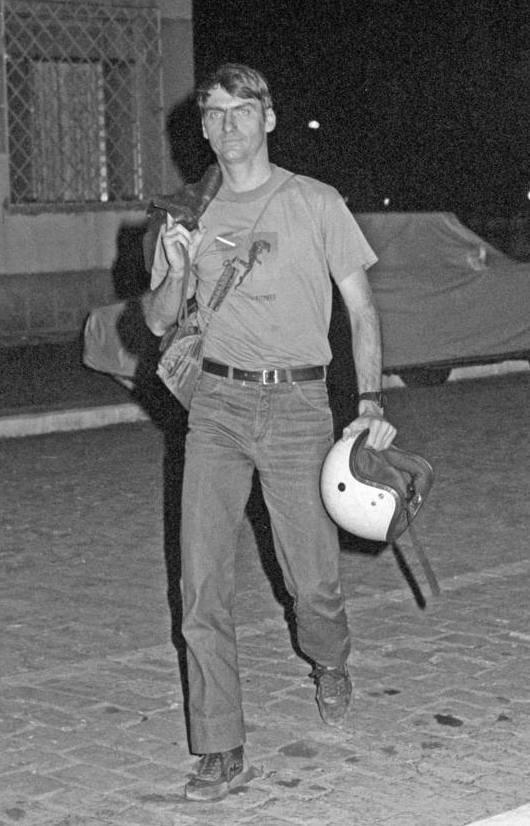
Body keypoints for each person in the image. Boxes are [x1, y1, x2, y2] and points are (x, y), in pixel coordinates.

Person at [143, 62, 397, 801]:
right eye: (213, 114)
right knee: (200, 583)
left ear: (269, 117)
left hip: (297, 410)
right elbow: (158, 321)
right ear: (203, 128)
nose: (226, 126)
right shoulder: (185, 213)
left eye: (240, 110)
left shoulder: (315, 203)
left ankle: (330, 658)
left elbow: (362, 311)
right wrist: (180, 270)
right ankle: (219, 743)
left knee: (311, 583)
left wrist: (372, 400)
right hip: (215, 408)